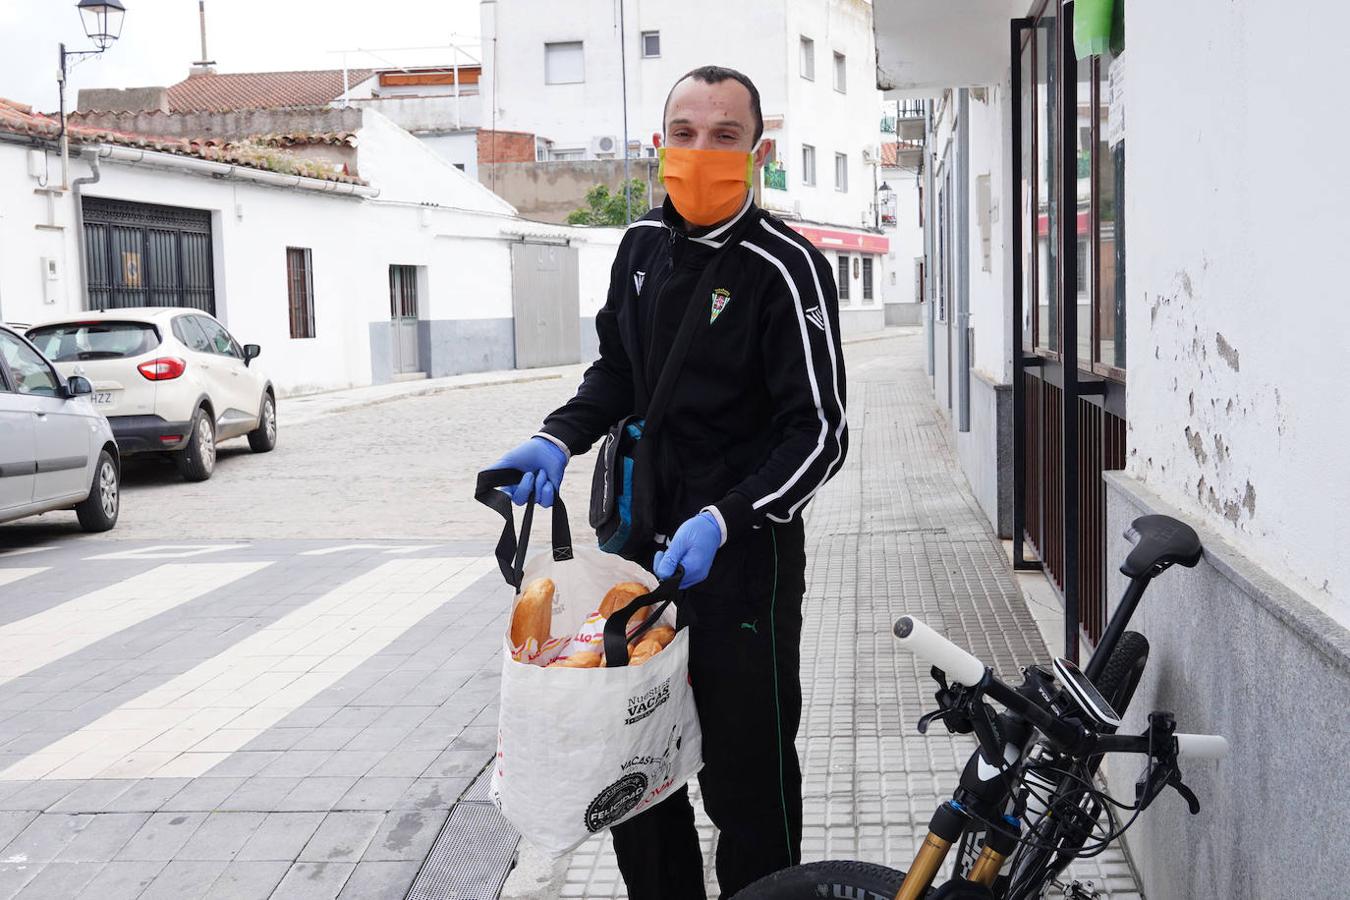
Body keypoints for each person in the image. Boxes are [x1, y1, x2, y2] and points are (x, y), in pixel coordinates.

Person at [491, 65, 847, 898]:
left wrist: (727, 520)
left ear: (757, 151)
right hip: (638, 555)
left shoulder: (785, 267)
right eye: (684, 133)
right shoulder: (642, 246)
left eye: (726, 136)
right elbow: (619, 370)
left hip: (740, 567)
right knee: (638, 774)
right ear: (659, 146)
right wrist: (557, 436)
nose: (702, 150)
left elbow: (819, 433)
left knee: (747, 782)